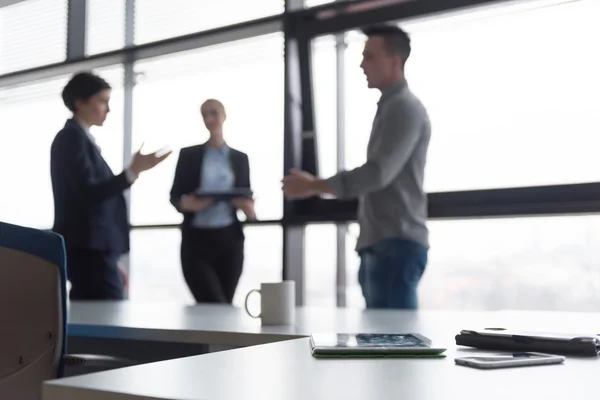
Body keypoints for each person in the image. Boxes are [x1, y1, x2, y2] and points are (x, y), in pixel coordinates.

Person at [282, 24, 431, 310]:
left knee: (394, 346)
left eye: (369, 56)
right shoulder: (391, 107)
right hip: (383, 243)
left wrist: (312, 185)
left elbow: (377, 174)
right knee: (382, 344)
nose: (362, 64)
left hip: (395, 243)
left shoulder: (403, 107)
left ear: (395, 61)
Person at [51, 71, 171, 300]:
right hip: (89, 251)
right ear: (80, 102)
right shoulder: (71, 138)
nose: (108, 108)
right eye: (102, 100)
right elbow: (89, 193)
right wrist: (132, 171)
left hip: (95, 252)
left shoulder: (81, 139)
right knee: (105, 316)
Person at [170, 99, 256, 304]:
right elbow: (175, 196)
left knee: (225, 303)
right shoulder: (189, 155)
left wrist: (248, 209)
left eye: (214, 113)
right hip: (196, 239)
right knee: (211, 303)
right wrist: (186, 204)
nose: (210, 119)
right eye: (204, 114)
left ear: (224, 115)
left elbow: (246, 196)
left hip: (229, 239)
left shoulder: (240, 158)